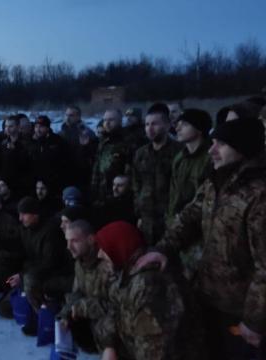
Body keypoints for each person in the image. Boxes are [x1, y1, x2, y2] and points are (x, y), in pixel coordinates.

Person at [138, 118, 266, 359]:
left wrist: (254, 320)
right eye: (213, 142)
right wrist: (163, 249)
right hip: (207, 297)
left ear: (243, 148)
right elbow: (189, 217)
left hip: (240, 313)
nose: (211, 149)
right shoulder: (217, 181)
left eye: (221, 144)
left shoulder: (259, 194)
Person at [95, 221, 195, 360]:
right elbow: (115, 310)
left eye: (103, 248)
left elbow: (153, 352)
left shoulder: (148, 287)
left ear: (119, 247)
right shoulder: (127, 275)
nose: (99, 254)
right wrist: (109, 345)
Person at [6, 197, 74, 336]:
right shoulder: (25, 229)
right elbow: (16, 247)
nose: (20, 218)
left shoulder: (50, 231)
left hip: (55, 273)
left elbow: (50, 262)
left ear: (35, 214)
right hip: (36, 269)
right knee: (4, 308)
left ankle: (41, 318)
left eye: (24, 214)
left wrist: (22, 275)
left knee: (30, 281)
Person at [59, 220, 111, 360]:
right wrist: (65, 314)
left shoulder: (108, 263)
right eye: (67, 241)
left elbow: (116, 307)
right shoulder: (80, 262)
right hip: (92, 317)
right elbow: (77, 292)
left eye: (74, 241)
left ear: (90, 240)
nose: (69, 246)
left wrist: (82, 307)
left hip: (111, 322)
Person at [132, 103, 182, 244]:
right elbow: (136, 185)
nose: (150, 128)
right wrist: (139, 214)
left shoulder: (179, 152)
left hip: (170, 219)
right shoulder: (140, 154)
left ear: (167, 125)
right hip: (147, 220)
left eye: (155, 124)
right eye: (147, 124)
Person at [167, 109, 213, 221]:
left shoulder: (211, 158)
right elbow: (173, 194)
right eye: (178, 124)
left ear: (199, 129)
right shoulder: (180, 158)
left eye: (185, 125)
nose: (177, 128)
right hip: (177, 223)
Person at [91, 109, 131, 204]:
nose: (107, 123)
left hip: (118, 194)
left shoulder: (128, 141)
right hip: (100, 194)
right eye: (105, 120)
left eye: (111, 120)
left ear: (120, 121)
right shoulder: (103, 141)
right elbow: (97, 166)